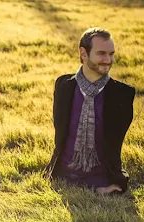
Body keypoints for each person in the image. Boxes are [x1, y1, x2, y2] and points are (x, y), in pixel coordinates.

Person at [45, 27, 135, 194]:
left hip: (102, 181)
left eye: (111, 54)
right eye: (101, 53)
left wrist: (111, 184)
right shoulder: (64, 86)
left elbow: (114, 146)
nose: (108, 60)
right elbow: (61, 133)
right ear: (83, 54)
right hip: (61, 176)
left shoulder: (122, 94)